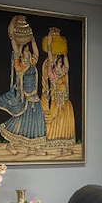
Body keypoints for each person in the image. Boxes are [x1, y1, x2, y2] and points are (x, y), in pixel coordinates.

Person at [0, 15, 46, 155]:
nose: (28, 52)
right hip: (24, 99)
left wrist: (33, 40)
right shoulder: (19, 66)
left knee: (36, 121)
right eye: (26, 50)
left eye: (28, 51)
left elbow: (37, 52)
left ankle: (35, 147)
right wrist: (13, 33)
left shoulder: (33, 64)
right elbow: (15, 48)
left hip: (34, 98)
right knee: (20, 121)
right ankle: (11, 144)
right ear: (22, 54)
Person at [41, 27, 76, 156]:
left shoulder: (63, 72)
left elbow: (67, 65)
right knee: (56, 123)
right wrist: (50, 40)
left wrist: (65, 52)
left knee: (66, 124)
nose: (60, 62)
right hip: (57, 102)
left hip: (65, 102)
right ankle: (54, 146)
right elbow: (50, 56)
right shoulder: (53, 73)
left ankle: (65, 148)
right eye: (58, 61)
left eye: (61, 61)